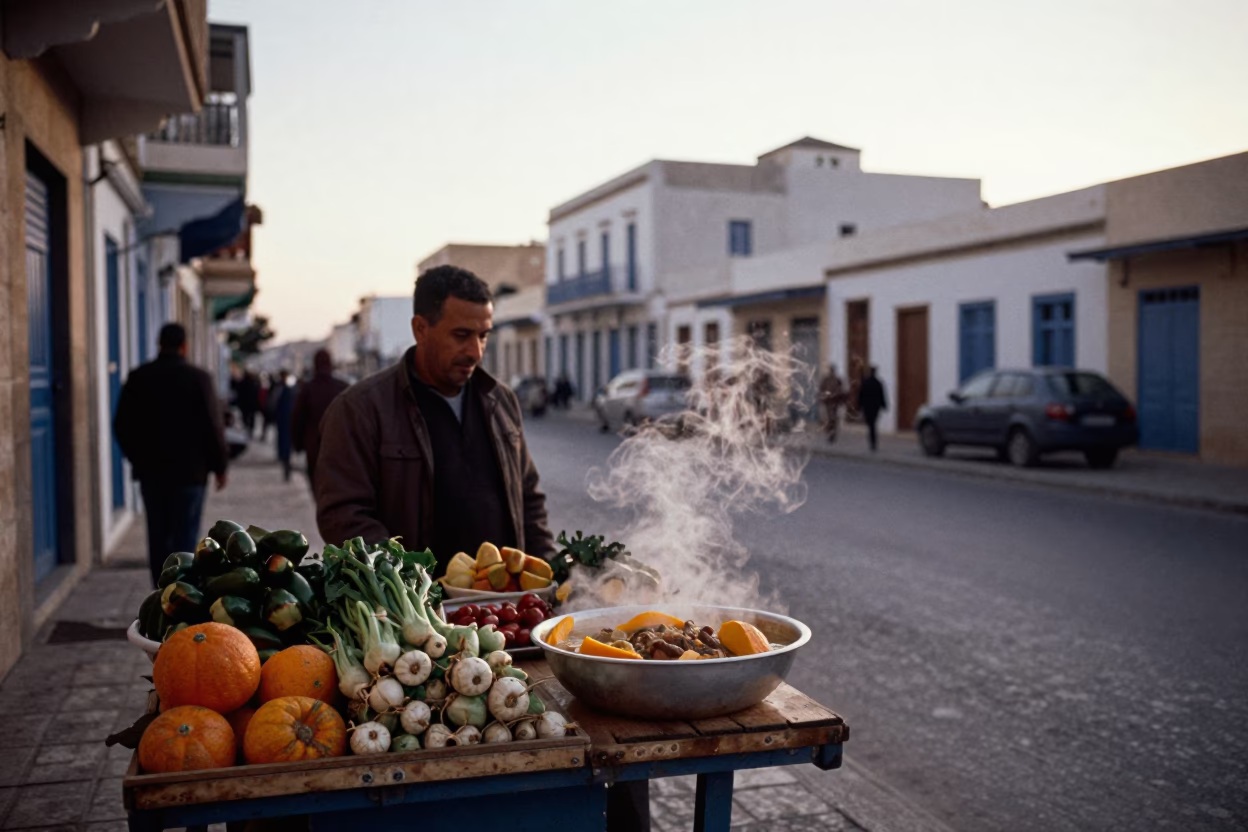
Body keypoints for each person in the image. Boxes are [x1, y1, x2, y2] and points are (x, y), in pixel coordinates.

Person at [315, 265, 556, 576]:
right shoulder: (359, 410)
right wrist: (409, 586)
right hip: (414, 614)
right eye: (461, 335)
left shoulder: (501, 401)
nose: (476, 351)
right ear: (421, 329)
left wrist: (547, 574)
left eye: (483, 336)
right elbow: (343, 516)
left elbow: (528, 499)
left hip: (502, 610)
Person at [114, 323, 228, 587]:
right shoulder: (199, 378)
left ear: (160, 344)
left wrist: (137, 458)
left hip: (152, 474)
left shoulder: (139, 377)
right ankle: (182, 592)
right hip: (191, 474)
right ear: (184, 345)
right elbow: (213, 426)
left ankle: (160, 589)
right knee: (184, 538)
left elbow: (122, 424)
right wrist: (220, 466)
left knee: (158, 536)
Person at [291, 349, 350, 493]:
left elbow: (297, 419)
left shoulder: (308, 389)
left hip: (315, 448)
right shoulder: (343, 387)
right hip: (341, 448)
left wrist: (298, 444)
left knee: (318, 488)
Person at [857, 365, 888, 452]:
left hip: (868, 408)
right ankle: (873, 442)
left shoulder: (866, 383)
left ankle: (872, 442)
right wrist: (884, 405)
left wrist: (860, 407)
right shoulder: (878, 383)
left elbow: (861, 396)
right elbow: (882, 395)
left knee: (871, 425)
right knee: (873, 425)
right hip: (876, 408)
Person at [273, 369, 296, 481]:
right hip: (285, 419)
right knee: (284, 440)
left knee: (284, 440)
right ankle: (285, 459)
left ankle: (285, 459)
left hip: (285, 419)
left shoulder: (284, 388)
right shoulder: (283, 388)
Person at [818, 364, 847, 443]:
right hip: (829, 402)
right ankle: (830, 434)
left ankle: (832, 434)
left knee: (832, 419)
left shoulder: (835, 379)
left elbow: (840, 390)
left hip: (833, 402)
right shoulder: (827, 379)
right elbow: (822, 389)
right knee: (830, 419)